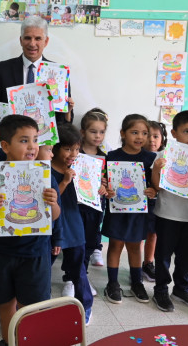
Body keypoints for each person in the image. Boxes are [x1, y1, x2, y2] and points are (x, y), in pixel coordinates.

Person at [0, 115, 61, 346]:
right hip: (0, 252)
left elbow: (56, 215)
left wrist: (52, 203)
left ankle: (28, 341)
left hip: (35, 253)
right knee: (6, 302)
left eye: (35, 140)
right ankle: (9, 340)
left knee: (31, 306)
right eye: (24, 140)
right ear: (5, 146)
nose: (32, 146)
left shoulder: (45, 174)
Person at [150, 111, 188, 312]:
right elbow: (156, 187)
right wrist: (157, 169)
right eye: (187, 131)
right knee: (163, 255)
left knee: (187, 257)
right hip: (166, 215)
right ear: (174, 133)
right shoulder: (163, 155)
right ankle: (161, 289)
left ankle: (181, 288)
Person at [102, 114, 157, 305]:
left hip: (139, 212)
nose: (140, 137)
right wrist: (107, 189)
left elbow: (155, 184)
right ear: (123, 134)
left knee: (135, 246)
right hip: (117, 210)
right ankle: (112, 283)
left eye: (144, 133)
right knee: (115, 245)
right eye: (135, 132)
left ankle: (136, 282)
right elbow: (105, 182)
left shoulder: (151, 158)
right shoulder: (112, 157)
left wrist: (153, 190)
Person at [0, 16, 72, 125]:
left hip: (46, 139)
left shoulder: (58, 73)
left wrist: (68, 111)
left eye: (38, 38)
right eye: (28, 38)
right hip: (12, 135)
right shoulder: (3, 69)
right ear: (21, 40)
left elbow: (65, 122)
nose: (32, 44)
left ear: (46, 41)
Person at [50, 124, 93, 324]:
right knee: (43, 266)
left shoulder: (80, 167)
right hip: (53, 225)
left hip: (74, 223)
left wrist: (98, 188)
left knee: (78, 268)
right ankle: (34, 304)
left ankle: (86, 306)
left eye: (76, 148)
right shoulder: (46, 170)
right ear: (55, 148)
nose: (73, 153)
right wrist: (66, 181)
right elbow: (51, 201)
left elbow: (87, 193)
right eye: (68, 149)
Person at [79, 109, 109, 272]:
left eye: (102, 132)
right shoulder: (75, 153)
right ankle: (74, 275)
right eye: (93, 131)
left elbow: (106, 183)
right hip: (76, 205)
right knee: (77, 240)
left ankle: (83, 272)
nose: (98, 136)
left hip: (96, 205)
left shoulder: (105, 157)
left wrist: (104, 185)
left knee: (91, 239)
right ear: (83, 132)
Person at [142, 120, 168, 282]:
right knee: (138, 236)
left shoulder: (167, 158)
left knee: (153, 234)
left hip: (159, 202)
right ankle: (136, 266)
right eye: (147, 135)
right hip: (139, 202)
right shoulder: (140, 157)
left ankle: (148, 263)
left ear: (162, 139)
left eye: (156, 136)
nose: (152, 140)